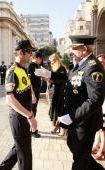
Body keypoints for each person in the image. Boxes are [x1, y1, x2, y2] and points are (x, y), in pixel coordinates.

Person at [35, 35, 105, 170]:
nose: (71, 51)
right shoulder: (81, 63)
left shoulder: (93, 67)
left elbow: (96, 99)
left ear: (84, 48)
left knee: (79, 160)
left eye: (74, 48)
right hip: (75, 120)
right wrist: (50, 74)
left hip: (84, 122)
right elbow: (69, 76)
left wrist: (71, 117)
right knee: (75, 148)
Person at [0, 40, 38, 170]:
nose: (31, 55)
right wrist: (30, 116)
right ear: (21, 52)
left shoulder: (23, 69)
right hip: (19, 117)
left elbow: (26, 83)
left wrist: (32, 94)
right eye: (29, 52)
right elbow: (9, 99)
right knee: (25, 154)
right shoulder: (12, 71)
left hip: (24, 115)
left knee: (19, 146)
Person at [48, 53, 68, 136]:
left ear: (56, 59)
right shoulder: (55, 67)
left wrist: (51, 80)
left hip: (61, 91)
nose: (51, 63)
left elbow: (61, 80)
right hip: (56, 91)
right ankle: (58, 126)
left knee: (60, 110)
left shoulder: (61, 68)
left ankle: (60, 127)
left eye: (52, 61)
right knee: (57, 110)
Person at [92, 54, 105, 160]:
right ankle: (96, 144)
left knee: (103, 128)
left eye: (103, 62)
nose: (101, 63)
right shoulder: (97, 73)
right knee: (98, 126)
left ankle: (102, 148)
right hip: (99, 103)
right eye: (99, 61)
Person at [27, 51, 43, 138]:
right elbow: (29, 82)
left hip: (37, 91)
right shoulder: (30, 66)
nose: (41, 60)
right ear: (35, 57)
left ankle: (33, 128)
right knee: (32, 110)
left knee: (34, 109)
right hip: (33, 92)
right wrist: (33, 94)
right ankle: (32, 130)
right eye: (40, 58)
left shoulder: (37, 66)